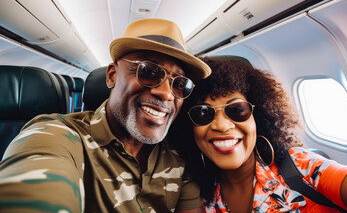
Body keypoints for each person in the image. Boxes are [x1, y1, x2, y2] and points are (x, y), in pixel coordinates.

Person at [0, 18, 211, 212]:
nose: (166, 93)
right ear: (112, 76)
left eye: (180, 84)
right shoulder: (60, 136)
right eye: (148, 71)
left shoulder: (180, 159)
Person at [168, 57, 347, 213]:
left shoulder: (302, 168)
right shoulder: (194, 195)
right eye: (203, 114)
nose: (222, 126)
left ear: (258, 117)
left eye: (237, 110)